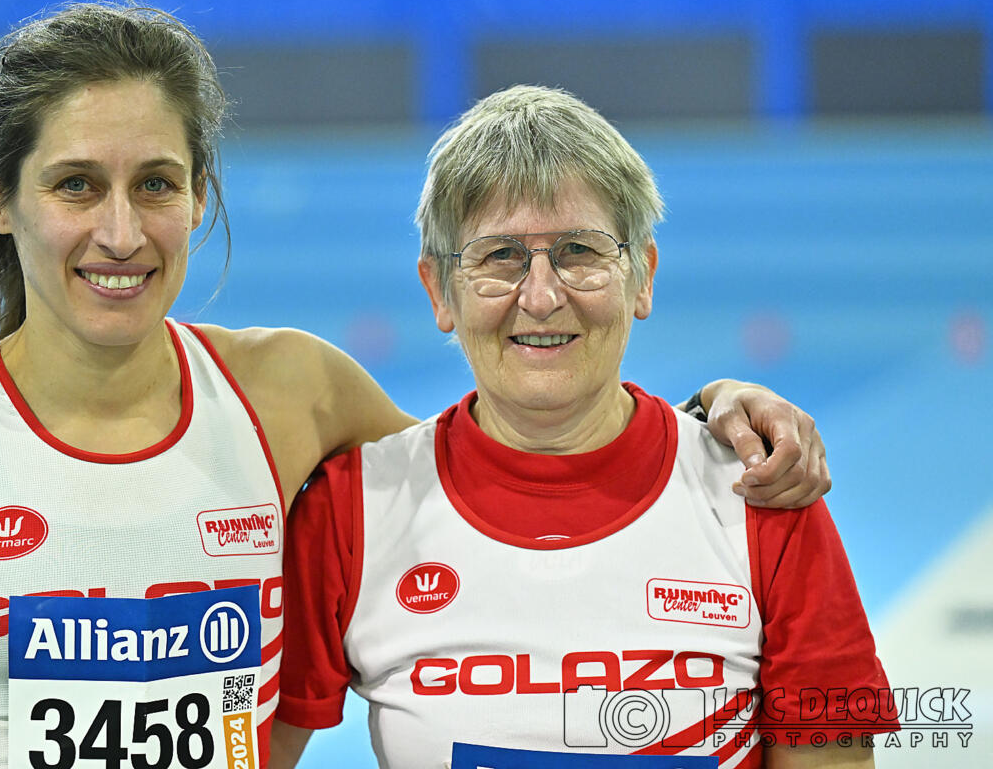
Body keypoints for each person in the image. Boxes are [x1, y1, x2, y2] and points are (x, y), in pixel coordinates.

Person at [0, 2, 830, 769]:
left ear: (198, 195)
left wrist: (711, 419)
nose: (121, 233)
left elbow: (513, 463)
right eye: (78, 184)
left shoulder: (289, 395)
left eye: (155, 183)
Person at [272, 85, 899, 768]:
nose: (541, 297)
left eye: (579, 250)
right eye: (500, 256)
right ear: (438, 292)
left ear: (642, 277)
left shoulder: (763, 495)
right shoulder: (350, 513)